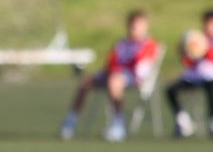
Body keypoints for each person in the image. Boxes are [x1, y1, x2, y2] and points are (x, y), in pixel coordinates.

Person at [59, 10, 159, 142]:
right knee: (85, 83)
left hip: (132, 77)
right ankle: (70, 123)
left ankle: (118, 125)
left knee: (114, 82)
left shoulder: (148, 44)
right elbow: (110, 63)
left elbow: (142, 68)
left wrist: (125, 72)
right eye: (132, 25)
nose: (134, 29)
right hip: (113, 74)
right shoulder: (121, 43)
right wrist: (111, 70)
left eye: (137, 26)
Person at [165, 9, 213, 140]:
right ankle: (183, 122)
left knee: (212, 88)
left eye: (212, 24)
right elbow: (188, 62)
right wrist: (185, 52)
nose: (209, 27)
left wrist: (202, 48)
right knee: (171, 90)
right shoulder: (198, 37)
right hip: (195, 77)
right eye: (207, 23)